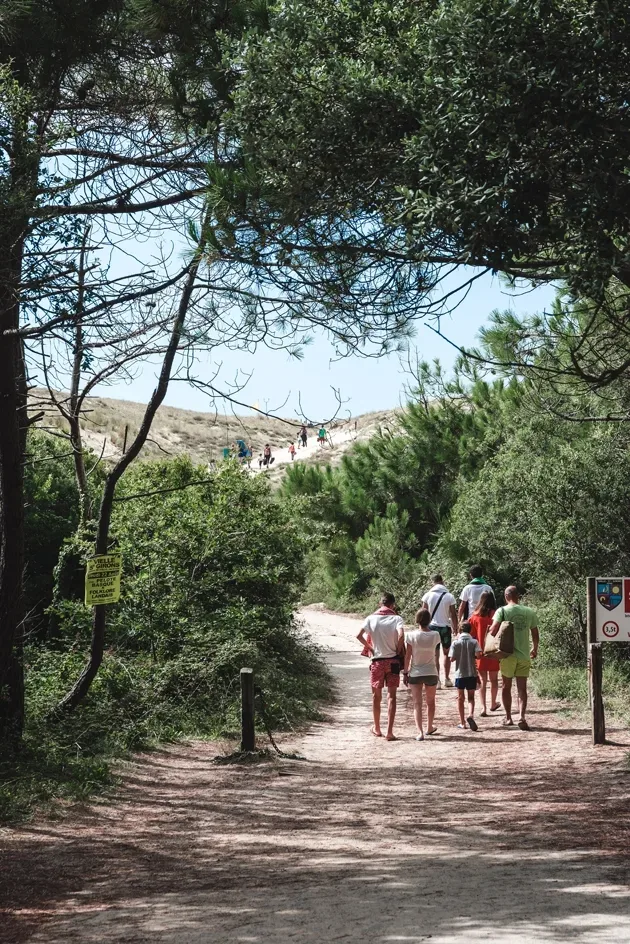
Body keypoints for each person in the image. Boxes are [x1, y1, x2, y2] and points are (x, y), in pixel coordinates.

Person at [489, 585, 539, 730]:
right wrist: (534, 649)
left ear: (506, 596)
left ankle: (509, 717)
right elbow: (535, 634)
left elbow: (493, 630)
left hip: (507, 655)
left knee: (506, 686)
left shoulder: (502, 611)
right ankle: (522, 716)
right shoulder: (529, 611)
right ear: (518, 596)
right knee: (522, 688)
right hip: (524, 655)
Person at [356, 592, 404, 741]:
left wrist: (370, 648)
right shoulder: (397, 619)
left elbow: (358, 635)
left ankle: (377, 728)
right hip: (393, 662)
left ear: (380, 604)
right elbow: (401, 635)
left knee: (376, 696)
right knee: (392, 697)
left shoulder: (370, 618)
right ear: (393, 605)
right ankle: (389, 732)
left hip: (377, 662)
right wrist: (398, 649)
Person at [403, 609, 440, 740]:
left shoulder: (411, 635)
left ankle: (420, 732)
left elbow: (408, 657)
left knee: (417, 703)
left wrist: (405, 672)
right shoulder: (436, 635)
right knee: (430, 702)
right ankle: (430, 726)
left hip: (415, 672)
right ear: (429, 620)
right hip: (431, 671)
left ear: (417, 619)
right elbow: (436, 654)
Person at [421, 575, 458, 688]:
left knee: (435, 655)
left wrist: (422, 627)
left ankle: (437, 680)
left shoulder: (427, 595)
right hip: (445, 628)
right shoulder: (449, 596)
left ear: (433, 583)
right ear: (443, 581)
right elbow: (453, 614)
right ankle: (447, 678)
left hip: (432, 628)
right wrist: (455, 628)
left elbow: (423, 612)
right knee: (446, 654)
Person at [468, 590, 501, 716]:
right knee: (494, 680)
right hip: (493, 651)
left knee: (482, 680)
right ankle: (493, 703)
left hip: (480, 652)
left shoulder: (474, 616)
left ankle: (483, 707)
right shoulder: (496, 615)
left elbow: (471, 635)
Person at [449, 621, 482, 731]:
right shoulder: (474, 642)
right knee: (471, 697)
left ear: (459, 630)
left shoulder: (455, 643)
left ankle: (463, 722)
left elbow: (451, 658)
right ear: (470, 630)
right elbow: (478, 656)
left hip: (460, 674)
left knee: (460, 698)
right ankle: (471, 715)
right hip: (472, 673)